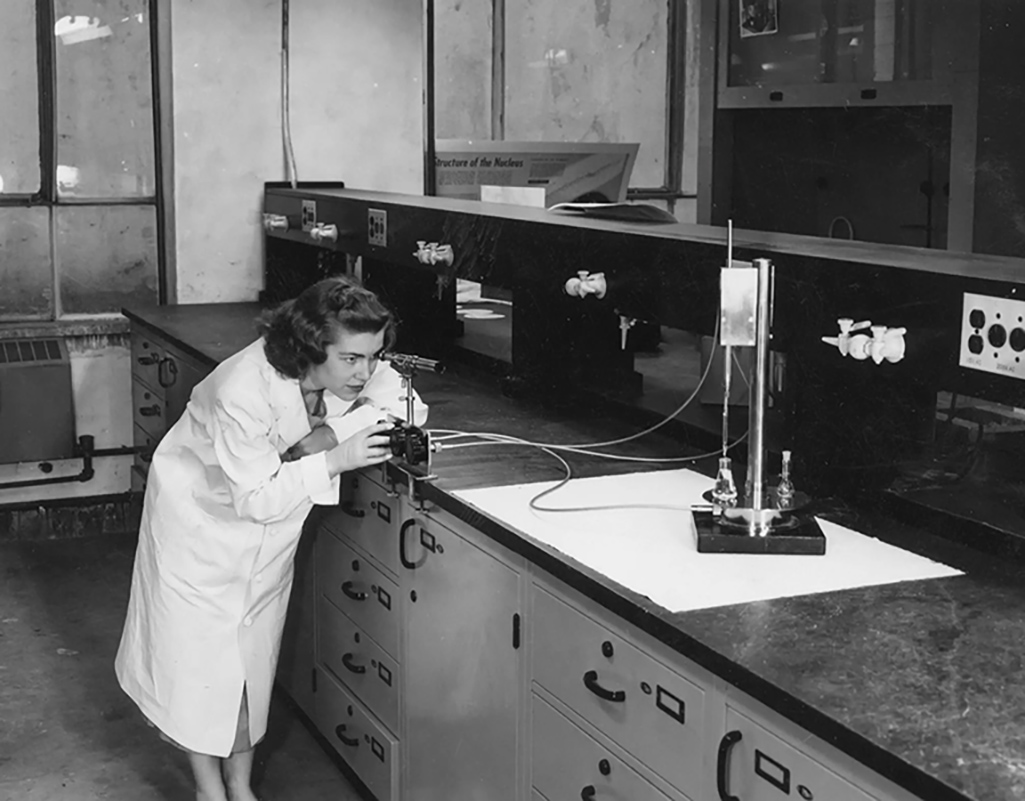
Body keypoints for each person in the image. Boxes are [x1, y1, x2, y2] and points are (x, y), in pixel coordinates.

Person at [115, 276, 427, 801]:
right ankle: (209, 789)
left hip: (262, 534)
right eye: (352, 359)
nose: (365, 371)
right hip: (201, 525)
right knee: (202, 670)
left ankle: (240, 785)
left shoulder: (350, 362)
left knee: (250, 665)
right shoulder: (244, 388)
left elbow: (402, 398)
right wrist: (333, 459)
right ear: (311, 345)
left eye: (373, 356)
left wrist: (326, 435)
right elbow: (255, 498)